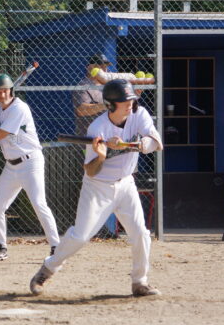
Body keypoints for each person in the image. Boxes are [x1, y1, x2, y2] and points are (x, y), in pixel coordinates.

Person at [29, 79, 163, 297]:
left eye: (130, 99)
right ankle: (47, 269)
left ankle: (140, 282)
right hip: (98, 187)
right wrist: (101, 155)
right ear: (111, 104)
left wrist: (130, 145)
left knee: (141, 234)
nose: (129, 104)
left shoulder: (139, 114)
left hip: (126, 183)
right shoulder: (98, 128)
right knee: (80, 237)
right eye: (124, 101)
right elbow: (91, 171)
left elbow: (156, 144)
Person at [0, 74, 60, 262]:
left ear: (11, 90)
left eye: (4, 90)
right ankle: (1, 247)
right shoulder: (0, 111)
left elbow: (0, 134)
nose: (2, 94)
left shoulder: (19, 107)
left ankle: (56, 247)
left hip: (30, 163)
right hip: (11, 166)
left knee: (38, 203)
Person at [72, 53, 112, 135]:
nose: (104, 69)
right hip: (89, 136)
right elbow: (81, 110)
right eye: (100, 65)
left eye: (106, 66)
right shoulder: (83, 86)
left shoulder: (110, 86)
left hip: (109, 135)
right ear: (89, 67)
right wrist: (106, 105)